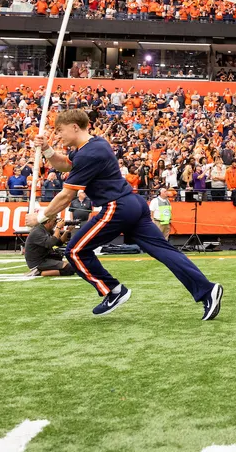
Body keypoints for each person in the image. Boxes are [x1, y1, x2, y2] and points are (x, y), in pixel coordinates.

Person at [34, 108, 223, 320]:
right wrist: (47, 150)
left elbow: (67, 196)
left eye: (60, 131)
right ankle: (207, 290)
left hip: (117, 207)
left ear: (75, 127)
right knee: (166, 252)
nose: (58, 135)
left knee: (75, 251)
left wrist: (40, 217)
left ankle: (113, 291)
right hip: (133, 204)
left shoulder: (88, 153)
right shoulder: (94, 145)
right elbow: (65, 165)